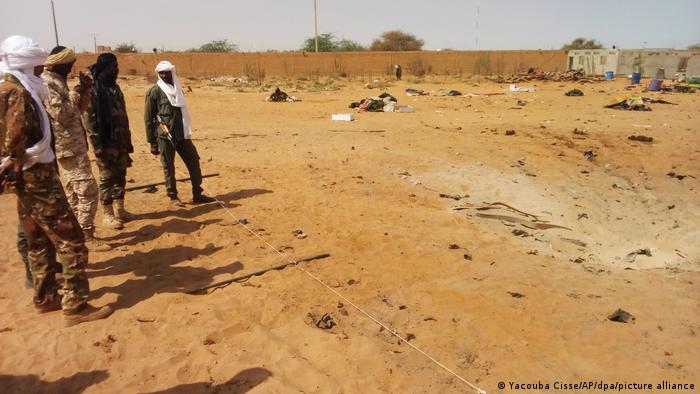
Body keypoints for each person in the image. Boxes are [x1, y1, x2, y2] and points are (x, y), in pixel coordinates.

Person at [0, 35, 112, 325]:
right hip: (37, 177)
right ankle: (75, 306)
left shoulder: (8, 88)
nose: (41, 72)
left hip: (25, 176)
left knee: (37, 238)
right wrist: (13, 158)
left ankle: (46, 297)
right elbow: (16, 136)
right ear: (27, 64)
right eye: (38, 67)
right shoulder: (18, 93)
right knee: (72, 240)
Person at [42, 46, 109, 251]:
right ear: (60, 64)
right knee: (88, 191)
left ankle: (75, 236)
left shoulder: (59, 82)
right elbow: (61, 113)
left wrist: (85, 90)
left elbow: (77, 111)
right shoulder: (48, 83)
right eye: (69, 64)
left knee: (73, 194)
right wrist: (74, 94)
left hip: (74, 146)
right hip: (67, 147)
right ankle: (86, 234)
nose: (71, 68)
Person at [144, 61, 214, 206]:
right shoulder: (154, 91)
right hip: (165, 136)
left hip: (182, 134)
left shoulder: (178, 90)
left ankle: (197, 194)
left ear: (172, 73)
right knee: (168, 166)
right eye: (161, 73)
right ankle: (173, 196)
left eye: (167, 72)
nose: (164, 75)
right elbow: (148, 118)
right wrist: (152, 142)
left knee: (194, 162)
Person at [83, 53, 134, 228]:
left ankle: (120, 209)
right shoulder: (94, 91)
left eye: (117, 66)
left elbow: (124, 116)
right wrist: (96, 145)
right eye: (114, 66)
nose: (116, 69)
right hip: (105, 142)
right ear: (105, 68)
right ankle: (108, 214)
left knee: (121, 174)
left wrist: (128, 140)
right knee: (106, 177)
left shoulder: (116, 88)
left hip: (120, 140)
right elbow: (90, 121)